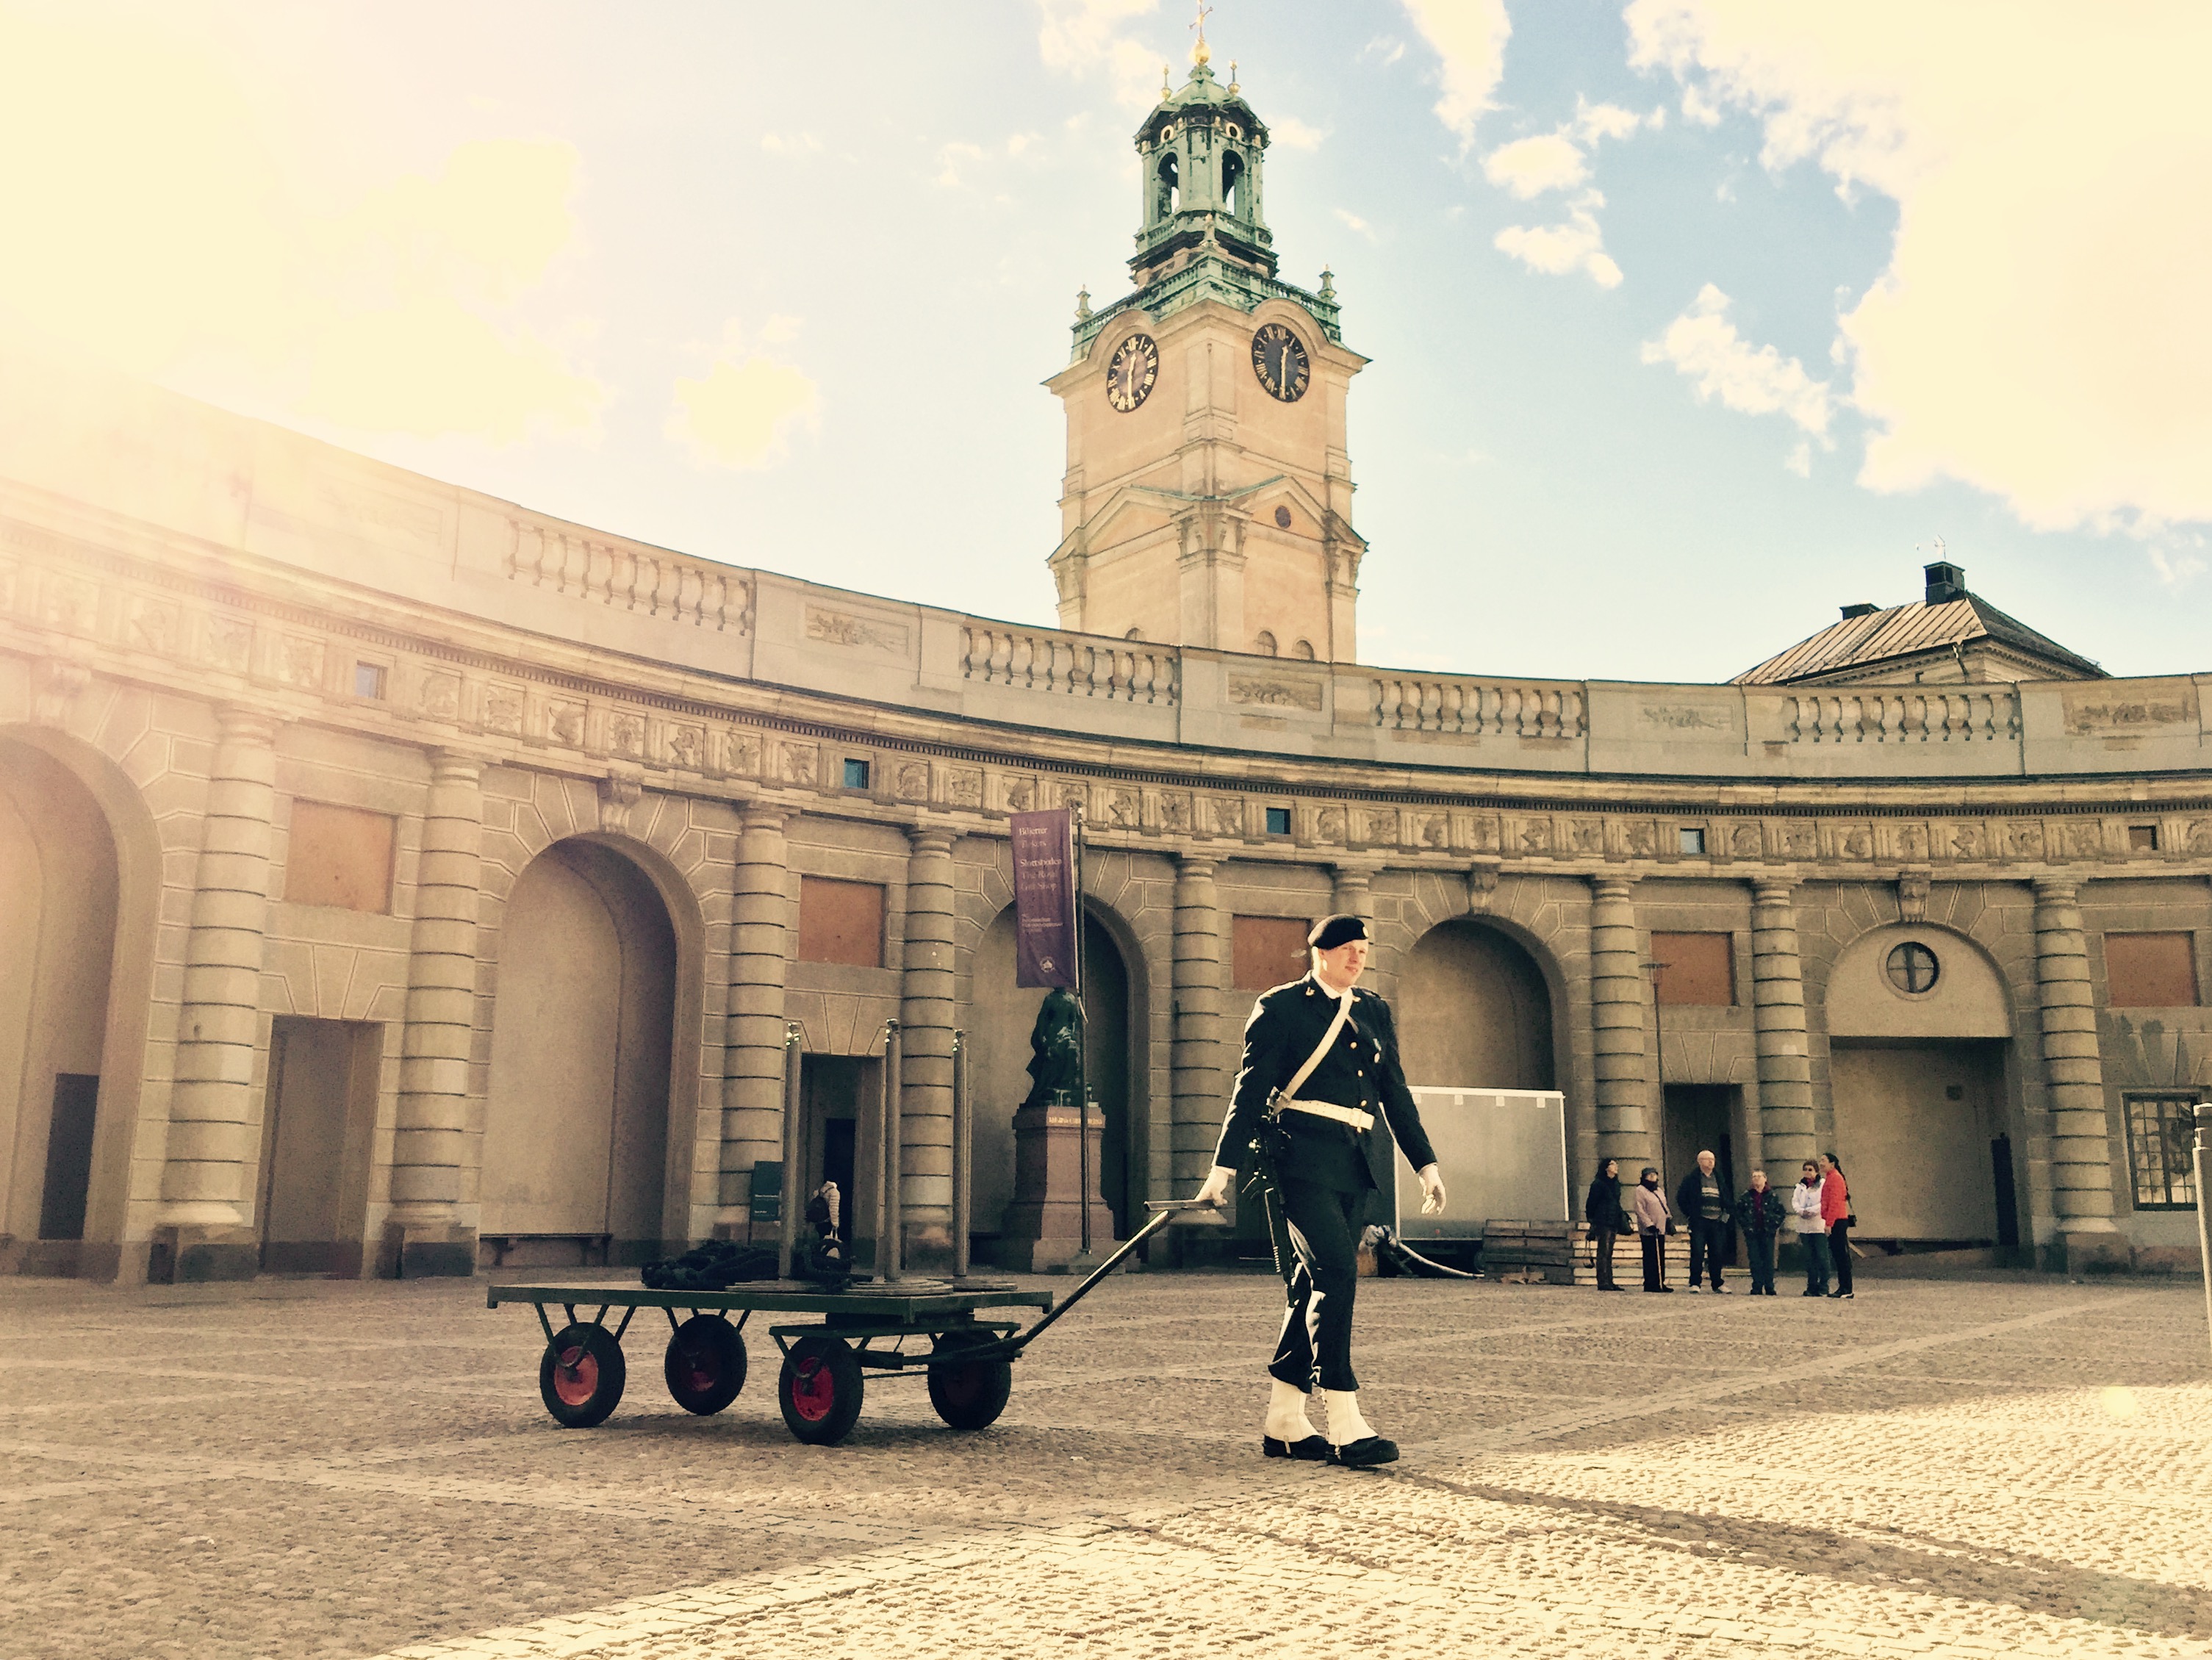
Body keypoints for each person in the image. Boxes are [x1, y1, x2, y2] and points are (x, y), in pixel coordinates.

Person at [1193, 914, 1446, 1469]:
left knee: (1313, 1282)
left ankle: (1284, 1419)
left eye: (1363, 949)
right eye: (1349, 950)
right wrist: (1223, 1168)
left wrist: (1425, 1163)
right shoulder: (1281, 1007)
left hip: (1353, 1161)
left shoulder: (1373, 1010)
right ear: (1321, 954)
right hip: (1299, 1155)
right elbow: (1250, 1088)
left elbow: (1394, 1094)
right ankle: (1345, 1418)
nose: (1359, 958)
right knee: (1337, 1269)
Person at [1673, 1149, 1733, 1294]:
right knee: (1698, 1253)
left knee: (1717, 1253)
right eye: (1707, 1159)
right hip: (1699, 1222)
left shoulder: (1719, 1178)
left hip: (1717, 1222)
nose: (1711, 1162)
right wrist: (1691, 1214)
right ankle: (1695, 1283)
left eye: (1712, 1159)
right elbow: (1681, 1198)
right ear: (1700, 1161)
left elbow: (1727, 1198)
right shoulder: (1691, 1179)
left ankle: (1717, 1283)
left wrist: (1726, 1215)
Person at [1734, 1171, 1787, 1296]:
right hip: (1752, 1233)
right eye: (1754, 1177)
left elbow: (1781, 1212)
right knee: (1754, 1259)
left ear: (1765, 1179)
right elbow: (1739, 1212)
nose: (1756, 1179)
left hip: (1768, 1232)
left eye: (1759, 1177)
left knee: (1768, 1259)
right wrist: (1746, 1226)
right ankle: (1757, 1285)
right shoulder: (1746, 1196)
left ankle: (1769, 1286)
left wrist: (1774, 1224)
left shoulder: (1772, 1195)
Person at [1584, 1157, 1630, 1292]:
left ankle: (1610, 1280)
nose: (1616, 1167)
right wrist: (1592, 1219)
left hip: (1613, 1220)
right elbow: (1591, 1203)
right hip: (1602, 1221)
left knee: (1609, 1252)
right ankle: (1603, 1281)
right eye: (1613, 1164)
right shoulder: (1598, 1184)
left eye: (1616, 1164)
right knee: (1603, 1251)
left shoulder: (1616, 1184)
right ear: (1606, 1168)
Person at [1791, 1160, 1830, 1296]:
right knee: (1809, 1257)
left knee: (1821, 1256)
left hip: (1818, 1225)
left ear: (1816, 1172)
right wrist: (1801, 1211)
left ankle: (1824, 1286)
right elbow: (1795, 1202)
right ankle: (1811, 1286)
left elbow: (1824, 1202)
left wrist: (1811, 1211)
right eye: (1806, 1169)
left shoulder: (1822, 1185)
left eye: (1810, 1170)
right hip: (1804, 1227)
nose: (1808, 1172)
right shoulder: (1799, 1187)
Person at [1631, 1166, 1672, 1293]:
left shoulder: (1659, 1190)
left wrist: (1669, 1219)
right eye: (1650, 1176)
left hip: (1660, 1227)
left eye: (1654, 1175)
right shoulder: (1640, 1190)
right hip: (1649, 1230)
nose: (1652, 1178)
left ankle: (1660, 1281)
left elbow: (1663, 1206)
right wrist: (1649, 1224)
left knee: (1660, 1255)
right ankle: (1650, 1283)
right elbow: (1640, 1209)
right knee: (1650, 1256)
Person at [1821, 1151, 1854, 1300]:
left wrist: (1829, 1223)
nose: (1821, 1163)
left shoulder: (1835, 1178)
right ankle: (1844, 1287)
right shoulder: (1831, 1177)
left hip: (1837, 1221)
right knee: (1839, 1255)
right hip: (1836, 1220)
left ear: (1832, 1164)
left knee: (1841, 1256)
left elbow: (1834, 1203)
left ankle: (1846, 1288)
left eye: (1823, 1161)